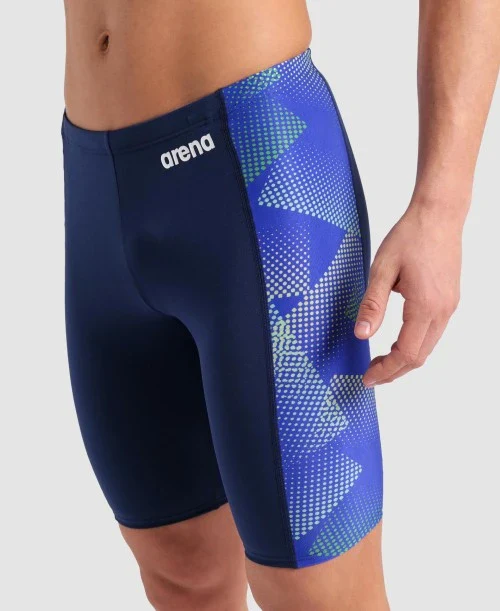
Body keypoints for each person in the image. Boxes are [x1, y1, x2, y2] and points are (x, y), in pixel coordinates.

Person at [61, 0, 500, 609]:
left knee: (318, 594)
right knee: (179, 571)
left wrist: (441, 207)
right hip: (94, 183)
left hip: (259, 166)